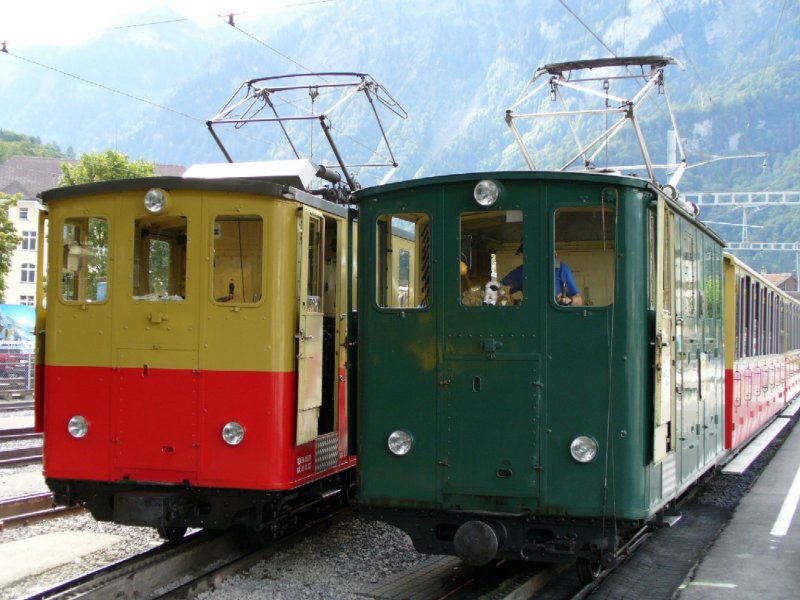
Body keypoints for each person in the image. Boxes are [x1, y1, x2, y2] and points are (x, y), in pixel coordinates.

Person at [499, 251, 583, 306]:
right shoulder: (522, 271)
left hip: (557, 319)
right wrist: (512, 301)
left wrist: (568, 300)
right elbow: (498, 291)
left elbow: (579, 301)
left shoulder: (561, 269)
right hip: (530, 319)